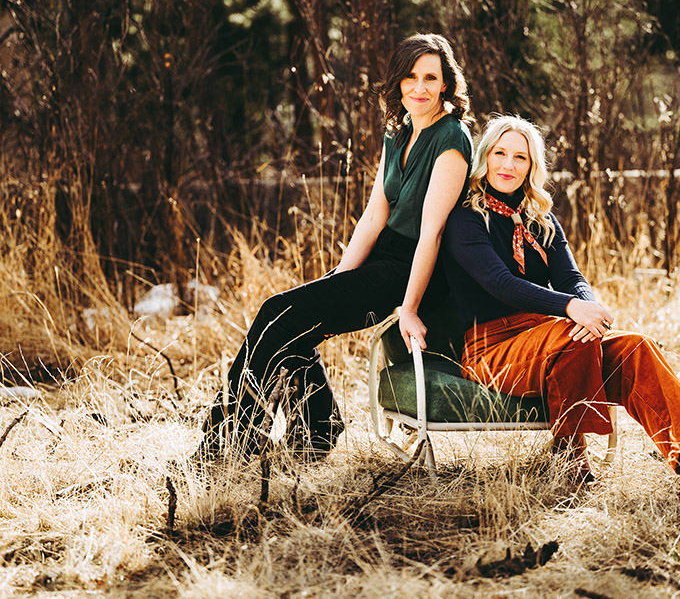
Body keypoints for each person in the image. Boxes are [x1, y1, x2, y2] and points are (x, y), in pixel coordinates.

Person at [443, 114, 680, 500]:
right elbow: (500, 284)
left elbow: (572, 279)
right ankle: (571, 460)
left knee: (636, 348)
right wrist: (569, 309)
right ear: (485, 157)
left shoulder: (541, 219)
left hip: (553, 338)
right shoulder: (464, 218)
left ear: (533, 166)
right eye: (500, 153)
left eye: (521, 157)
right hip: (492, 348)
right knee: (571, 335)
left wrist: (589, 310)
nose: (508, 165)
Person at [199, 34, 474, 461]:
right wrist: (340, 278)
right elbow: (373, 216)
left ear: (445, 84)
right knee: (292, 321)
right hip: (383, 260)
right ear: (397, 82)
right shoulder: (399, 132)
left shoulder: (452, 139)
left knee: (277, 312)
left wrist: (410, 306)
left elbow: (432, 234)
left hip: (415, 272)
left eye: (430, 78)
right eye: (409, 77)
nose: (418, 88)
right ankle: (317, 427)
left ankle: (225, 443)